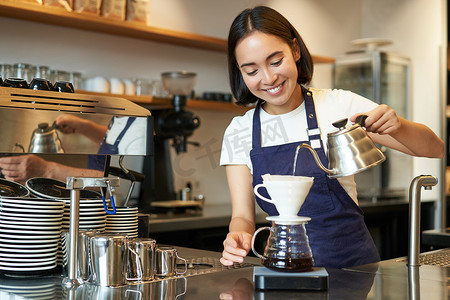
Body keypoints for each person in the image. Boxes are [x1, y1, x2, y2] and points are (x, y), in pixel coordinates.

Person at [219, 6, 444, 269]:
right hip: (286, 268)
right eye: (252, 70)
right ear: (240, 71)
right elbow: (242, 217)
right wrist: (239, 235)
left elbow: (434, 148)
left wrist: (398, 125)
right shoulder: (239, 131)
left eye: (276, 61)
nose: (268, 78)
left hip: (354, 270)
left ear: (295, 50)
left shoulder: (338, 105)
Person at [0, 114, 147, 184]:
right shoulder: (126, 119)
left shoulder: (142, 127)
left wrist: (47, 171)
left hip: (110, 212)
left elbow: (121, 183)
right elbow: (119, 143)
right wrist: (85, 127)